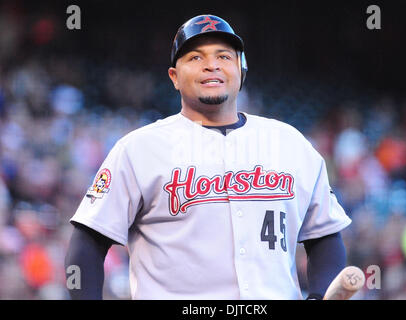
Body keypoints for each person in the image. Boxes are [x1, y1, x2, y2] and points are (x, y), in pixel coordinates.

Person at [65, 14, 351, 300]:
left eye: (224, 56)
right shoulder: (139, 149)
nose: (211, 65)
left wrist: (318, 295)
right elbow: (88, 242)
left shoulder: (290, 143)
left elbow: (324, 234)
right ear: (174, 77)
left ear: (241, 69)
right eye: (195, 58)